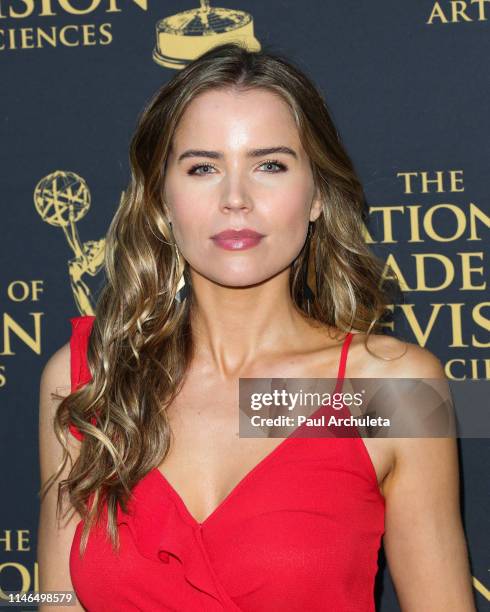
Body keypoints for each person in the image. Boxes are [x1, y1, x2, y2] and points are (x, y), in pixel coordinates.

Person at [37, 42, 476, 611]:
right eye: (202, 168)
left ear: (317, 193)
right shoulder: (86, 378)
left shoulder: (393, 391)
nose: (235, 200)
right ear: (161, 199)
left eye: (270, 165)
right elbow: (52, 598)